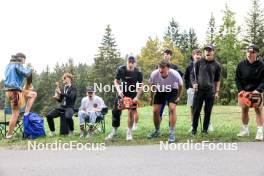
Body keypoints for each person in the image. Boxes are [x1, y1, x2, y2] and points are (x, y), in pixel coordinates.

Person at [105, 56, 143, 141]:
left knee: (131, 113)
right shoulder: (121, 69)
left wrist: (137, 97)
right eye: (129, 62)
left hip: (132, 95)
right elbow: (116, 81)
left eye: (132, 62)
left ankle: (129, 133)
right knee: (115, 112)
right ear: (127, 62)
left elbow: (141, 85)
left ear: (135, 63)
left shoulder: (138, 72)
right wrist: (118, 91)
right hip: (121, 94)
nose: (131, 64)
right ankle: (114, 131)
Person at [148, 60, 183, 143]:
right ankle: (157, 131)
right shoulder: (154, 74)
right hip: (160, 90)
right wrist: (151, 98)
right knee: (155, 110)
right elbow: (152, 86)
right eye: (160, 68)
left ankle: (172, 133)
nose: (161, 70)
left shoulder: (174, 74)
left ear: (168, 68)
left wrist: (178, 97)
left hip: (172, 89)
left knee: (172, 108)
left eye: (163, 68)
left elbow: (181, 86)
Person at [4, 53, 37, 139]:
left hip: (14, 91)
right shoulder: (17, 64)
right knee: (15, 114)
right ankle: (9, 136)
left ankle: (26, 113)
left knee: (33, 94)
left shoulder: (8, 65)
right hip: (15, 91)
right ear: (21, 58)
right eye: (24, 60)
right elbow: (26, 73)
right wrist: (30, 68)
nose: (24, 62)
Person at [191, 44, 221, 136]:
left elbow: (217, 80)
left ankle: (205, 130)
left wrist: (216, 92)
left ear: (213, 52)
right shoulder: (198, 62)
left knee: (208, 112)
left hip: (210, 91)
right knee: (196, 111)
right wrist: (193, 84)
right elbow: (192, 75)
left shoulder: (217, 65)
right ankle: (194, 130)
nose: (207, 52)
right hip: (199, 90)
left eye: (209, 50)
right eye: (206, 50)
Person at [235, 44, 264, 141]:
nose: (249, 54)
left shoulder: (262, 65)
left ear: (257, 54)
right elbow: (237, 79)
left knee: (258, 111)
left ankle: (260, 131)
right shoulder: (241, 64)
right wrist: (240, 90)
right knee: (244, 110)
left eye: (252, 52)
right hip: (244, 92)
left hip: (257, 92)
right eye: (248, 52)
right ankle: (245, 130)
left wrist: (258, 90)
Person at [159, 49, 183, 122]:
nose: (166, 55)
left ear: (170, 56)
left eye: (168, 54)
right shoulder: (159, 65)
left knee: (171, 110)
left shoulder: (175, 67)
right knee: (159, 110)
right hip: (161, 90)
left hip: (172, 91)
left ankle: (171, 129)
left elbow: (179, 78)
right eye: (165, 54)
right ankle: (157, 128)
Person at [184, 49, 202, 132]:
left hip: (203, 89)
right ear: (193, 55)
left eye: (199, 54)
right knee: (192, 107)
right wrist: (188, 87)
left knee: (205, 107)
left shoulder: (204, 64)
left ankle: (208, 123)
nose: (198, 56)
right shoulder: (189, 66)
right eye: (196, 54)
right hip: (191, 89)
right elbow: (186, 78)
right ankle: (193, 124)